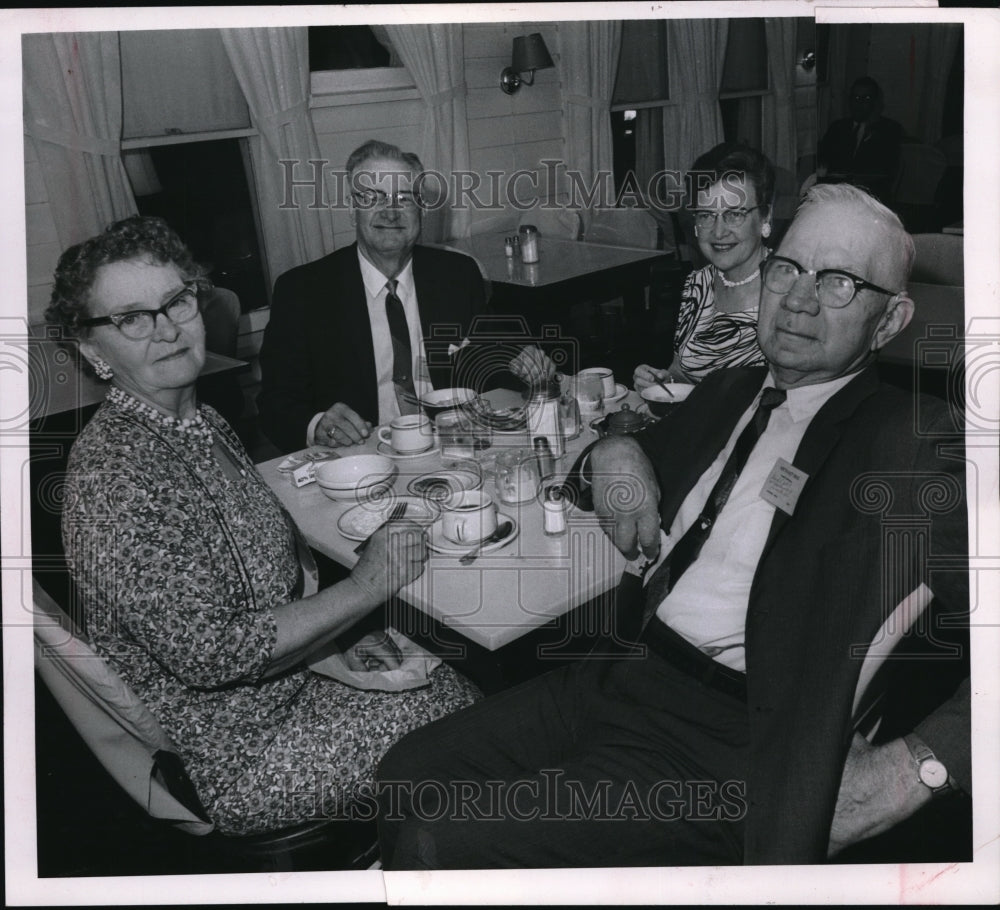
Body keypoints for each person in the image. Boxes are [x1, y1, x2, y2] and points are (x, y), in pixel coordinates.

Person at [375, 184, 969, 868]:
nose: (800, 298)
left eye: (839, 281)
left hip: (725, 738)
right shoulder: (731, 390)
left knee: (442, 843)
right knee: (406, 776)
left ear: (890, 320)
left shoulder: (916, 447)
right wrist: (614, 450)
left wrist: (916, 770)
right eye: (788, 268)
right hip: (613, 670)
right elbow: (600, 472)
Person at [48, 215, 480, 836]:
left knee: (459, 683)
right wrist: (363, 588)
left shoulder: (202, 423)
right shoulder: (115, 477)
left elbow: (267, 586)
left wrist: (336, 635)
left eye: (176, 300)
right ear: (91, 348)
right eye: (131, 318)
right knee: (474, 718)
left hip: (291, 688)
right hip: (244, 754)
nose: (167, 328)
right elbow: (211, 654)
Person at [258, 139, 553, 455]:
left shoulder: (457, 274)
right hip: (359, 459)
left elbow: (488, 360)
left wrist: (523, 366)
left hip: (451, 448)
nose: (391, 211)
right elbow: (275, 405)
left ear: (421, 209)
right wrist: (317, 424)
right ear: (351, 209)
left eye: (404, 198)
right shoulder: (303, 291)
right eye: (373, 197)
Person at [633, 143, 773, 392]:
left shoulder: (788, 292)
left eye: (735, 214)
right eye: (706, 215)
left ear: (765, 219)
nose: (718, 231)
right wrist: (663, 382)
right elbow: (682, 372)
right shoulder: (697, 284)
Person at [817, 76, 903, 204]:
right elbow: (823, 160)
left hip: (870, 197)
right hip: (836, 194)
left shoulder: (889, 130)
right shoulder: (838, 128)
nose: (860, 103)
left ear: (876, 102)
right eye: (856, 98)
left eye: (866, 99)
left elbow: (887, 170)